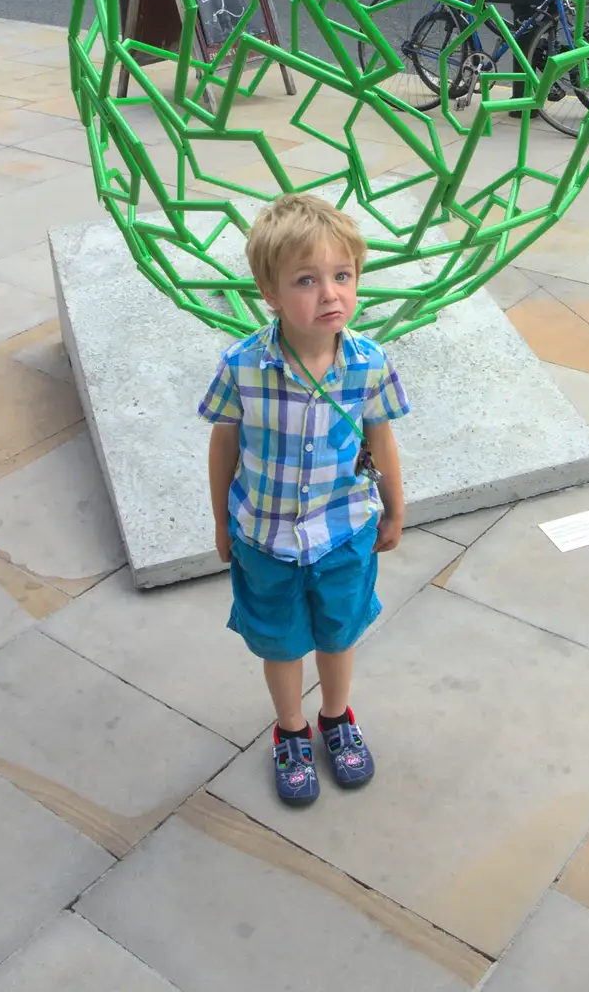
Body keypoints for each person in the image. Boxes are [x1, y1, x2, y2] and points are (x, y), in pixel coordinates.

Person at [199, 192, 409, 807]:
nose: (331, 295)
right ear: (270, 292)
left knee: (338, 633)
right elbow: (224, 448)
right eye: (307, 280)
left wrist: (395, 509)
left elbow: (382, 439)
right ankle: (290, 729)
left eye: (343, 276)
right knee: (282, 640)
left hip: (343, 532)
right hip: (265, 539)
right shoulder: (243, 366)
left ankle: (336, 718)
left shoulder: (368, 364)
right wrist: (221, 524)